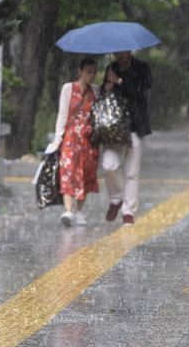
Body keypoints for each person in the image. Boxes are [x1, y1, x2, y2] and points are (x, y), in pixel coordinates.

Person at [45, 57, 100, 227]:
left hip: (89, 140)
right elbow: (62, 114)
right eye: (88, 72)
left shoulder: (96, 92)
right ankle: (68, 210)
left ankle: (79, 210)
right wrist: (57, 138)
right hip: (70, 138)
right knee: (67, 171)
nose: (91, 75)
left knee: (85, 175)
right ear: (80, 71)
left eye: (94, 72)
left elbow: (98, 116)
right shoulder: (68, 88)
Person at [100, 50, 152, 225]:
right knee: (109, 166)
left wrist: (119, 82)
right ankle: (116, 198)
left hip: (135, 126)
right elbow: (104, 93)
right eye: (116, 53)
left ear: (129, 51)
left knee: (131, 173)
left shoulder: (143, 68)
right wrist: (107, 86)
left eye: (122, 52)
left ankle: (128, 211)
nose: (119, 55)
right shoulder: (111, 67)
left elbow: (140, 92)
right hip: (113, 127)